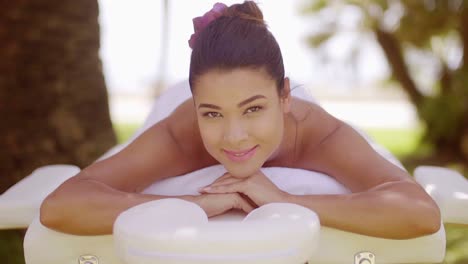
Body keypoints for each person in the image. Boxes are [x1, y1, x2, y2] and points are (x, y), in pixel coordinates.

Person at [40, 1, 441, 239]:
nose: (233, 137)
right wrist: (193, 204)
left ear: (284, 96)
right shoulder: (182, 133)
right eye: (212, 113)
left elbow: (418, 210)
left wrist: (287, 202)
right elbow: (62, 206)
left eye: (253, 109)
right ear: (194, 104)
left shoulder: (319, 132)